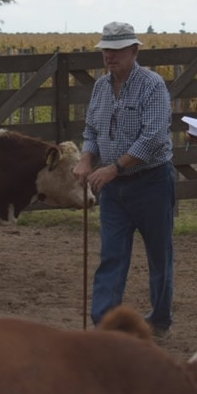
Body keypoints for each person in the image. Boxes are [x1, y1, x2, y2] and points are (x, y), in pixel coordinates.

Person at [72, 21, 176, 337]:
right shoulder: (101, 87)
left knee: (160, 254)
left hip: (151, 182)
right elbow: (91, 130)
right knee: (112, 254)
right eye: (106, 50)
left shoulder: (153, 85)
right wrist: (87, 158)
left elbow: (155, 136)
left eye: (116, 50)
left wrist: (113, 167)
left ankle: (159, 318)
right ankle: (105, 324)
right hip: (113, 186)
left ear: (133, 51)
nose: (109, 56)